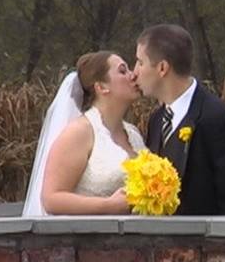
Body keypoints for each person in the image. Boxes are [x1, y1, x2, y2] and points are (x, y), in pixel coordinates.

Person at [134, 24, 225, 215]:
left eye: (140, 63)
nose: (135, 72)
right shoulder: (157, 120)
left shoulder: (223, 119)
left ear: (162, 68)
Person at [22, 51, 145, 216]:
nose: (133, 76)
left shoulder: (134, 134)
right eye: (123, 71)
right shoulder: (80, 132)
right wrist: (108, 206)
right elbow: (51, 198)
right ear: (101, 87)